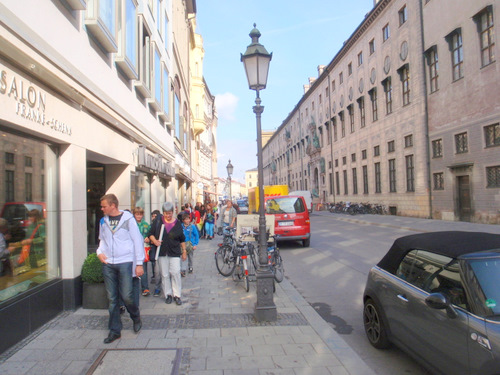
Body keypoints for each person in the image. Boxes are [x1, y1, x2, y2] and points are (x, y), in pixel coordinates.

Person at [96, 194, 144, 344]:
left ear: (113, 206)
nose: (101, 209)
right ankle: (115, 330)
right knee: (112, 299)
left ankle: (135, 316)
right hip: (109, 263)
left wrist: (139, 263)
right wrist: (99, 253)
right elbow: (102, 240)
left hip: (125, 261)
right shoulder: (103, 221)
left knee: (127, 296)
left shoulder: (128, 219)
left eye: (104, 206)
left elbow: (137, 240)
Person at [148, 202, 187, 305]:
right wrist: (155, 241)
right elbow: (150, 233)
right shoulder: (158, 221)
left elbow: (182, 238)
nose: (168, 216)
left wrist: (184, 251)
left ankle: (177, 295)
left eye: (170, 213)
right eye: (166, 213)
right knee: (164, 274)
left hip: (174, 252)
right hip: (162, 252)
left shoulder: (177, 223)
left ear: (173, 212)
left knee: (175, 272)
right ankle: (168, 294)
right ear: (163, 213)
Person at [133, 207, 151, 297]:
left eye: (140, 214)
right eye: (137, 214)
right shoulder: (131, 224)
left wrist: (148, 238)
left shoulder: (146, 225)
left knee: (143, 269)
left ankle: (145, 288)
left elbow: (150, 234)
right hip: (132, 250)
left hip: (143, 249)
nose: (139, 216)